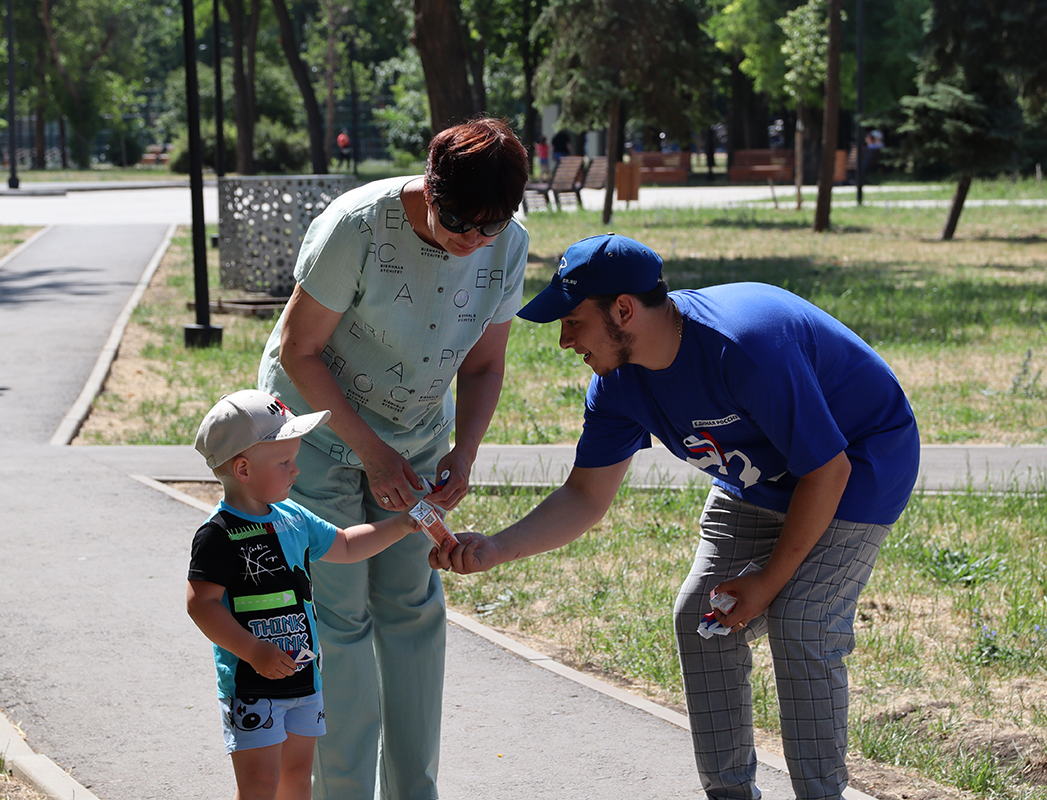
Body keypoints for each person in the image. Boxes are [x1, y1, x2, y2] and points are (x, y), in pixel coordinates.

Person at [431, 233, 920, 800]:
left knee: (802, 620)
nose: (565, 341)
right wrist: (496, 548)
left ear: (623, 309)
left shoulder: (743, 347)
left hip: (857, 463)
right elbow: (587, 495)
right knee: (701, 619)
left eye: (572, 322)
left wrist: (767, 582)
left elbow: (826, 472)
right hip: (759, 481)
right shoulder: (617, 383)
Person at [257, 116, 529, 800]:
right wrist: (370, 453)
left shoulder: (507, 245)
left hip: (414, 442)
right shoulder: (359, 225)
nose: (471, 241)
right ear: (430, 187)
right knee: (338, 620)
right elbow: (298, 348)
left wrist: (464, 453)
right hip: (311, 439)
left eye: (488, 227)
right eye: (458, 220)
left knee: (413, 609)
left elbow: (487, 362)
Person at [187, 389, 427, 800]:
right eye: (285, 462)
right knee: (260, 784)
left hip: (303, 677)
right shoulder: (217, 533)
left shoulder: (292, 517)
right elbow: (201, 604)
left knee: (297, 777)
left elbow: (348, 544)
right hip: (252, 683)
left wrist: (401, 525)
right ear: (242, 468)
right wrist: (253, 651)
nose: (296, 471)